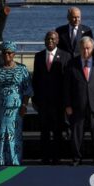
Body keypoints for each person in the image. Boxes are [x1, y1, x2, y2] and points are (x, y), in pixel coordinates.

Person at [0, 41, 32, 166]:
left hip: (15, 111)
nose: (7, 55)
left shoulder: (22, 69)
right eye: (4, 52)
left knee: (14, 136)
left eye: (9, 52)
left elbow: (27, 90)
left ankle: (14, 161)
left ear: (14, 54)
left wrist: (24, 105)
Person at [65, 37, 94, 166]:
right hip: (77, 104)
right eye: (83, 48)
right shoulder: (72, 64)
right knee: (77, 134)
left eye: (88, 48)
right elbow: (66, 86)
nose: (86, 51)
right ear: (80, 48)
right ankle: (77, 158)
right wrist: (67, 104)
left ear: (93, 48)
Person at [32, 30, 71, 164]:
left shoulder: (66, 56)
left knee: (57, 132)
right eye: (48, 39)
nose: (50, 41)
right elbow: (35, 79)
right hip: (43, 102)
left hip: (59, 102)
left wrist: (67, 102)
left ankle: (56, 157)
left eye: (53, 39)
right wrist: (35, 99)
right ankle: (45, 157)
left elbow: (67, 81)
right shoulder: (38, 56)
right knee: (44, 131)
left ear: (57, 41)